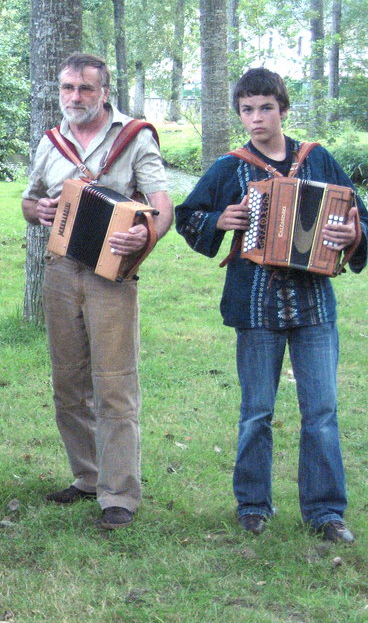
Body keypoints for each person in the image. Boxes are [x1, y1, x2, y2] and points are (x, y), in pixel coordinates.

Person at [175, 67, 366, 543]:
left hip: (314, 305)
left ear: (282, 109)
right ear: (239, 113)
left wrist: (352, 233)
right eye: (247, 110)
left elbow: (358, 214)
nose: (257, 118)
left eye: (265, 108)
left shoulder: (316, 159)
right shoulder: (230, 167)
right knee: (257, 410)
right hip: (255, 305)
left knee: (321, 411)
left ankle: (325, 511)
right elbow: (188, 216)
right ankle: (253, 505)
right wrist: (221, 219)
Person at [21, 53, 173, 530]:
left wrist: (144, 234)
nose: (75, 97)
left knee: (114, 384)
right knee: (68, 383)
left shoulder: (135, 136)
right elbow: (29, 201)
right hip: (61, 269)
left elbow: (162, 207)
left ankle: (119, 493)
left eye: (86, 88)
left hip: (111, 275)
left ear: (104, 92)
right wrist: (39, 211)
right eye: (68, 88)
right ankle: (87, 476)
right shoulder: (51, 141)